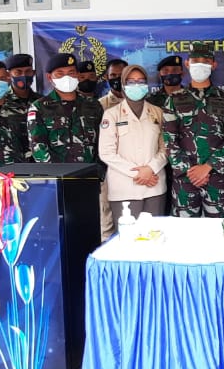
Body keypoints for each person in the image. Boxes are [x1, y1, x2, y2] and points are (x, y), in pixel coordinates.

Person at [162, 43, 224, 217]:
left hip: (216, 178)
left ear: (214, 65)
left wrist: (208, 167)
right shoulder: (173, 100)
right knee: (185, 230)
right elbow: (169, 139)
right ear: (187, 64)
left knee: (218, 228)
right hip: (185, 179)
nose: (200, 65)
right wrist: (191, 171)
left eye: (206, 61)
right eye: (195, 60)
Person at [99, 64, 169, 222]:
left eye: (141, 81)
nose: (136, 85)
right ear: (123, 84)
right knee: (128, 235)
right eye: (131, 82)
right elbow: (106, 153)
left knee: (155, 233)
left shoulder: (157, 112)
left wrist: (150, 169)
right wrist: (139, 174)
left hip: (154, 186)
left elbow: (165, 148)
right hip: (124, 188)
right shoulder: (111, 115)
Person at [27, 53, 102, 164]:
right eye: (60, 74)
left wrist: (98, 169)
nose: (67, 78)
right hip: (57, 172)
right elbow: (38, 147)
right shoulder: (39, 107)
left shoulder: (93, 105)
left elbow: (103, 141)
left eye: (71, 73)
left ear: (77, 75)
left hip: (91, 171)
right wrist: (56, 172)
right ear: (49, 77)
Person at [96, 58, 129, 239]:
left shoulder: (145, 105)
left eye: (121, 75)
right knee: (106, 221)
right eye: (112, 75)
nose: (116, 79)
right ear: (106, 77)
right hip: (108, 171)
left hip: (136, 170)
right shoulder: (99, 106)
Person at [147, 54, 183, 215]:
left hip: (184, 162)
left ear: (182, 72)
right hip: (159, 163)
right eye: (165, 71)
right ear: (159, 74)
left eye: (175, 70)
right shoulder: (150, 101)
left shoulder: (191, 97)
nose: (170, 74)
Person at [2, 54, 39, 146]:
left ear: (34, 73)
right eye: (18, 72)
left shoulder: (41, 102)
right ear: (8, 75)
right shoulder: (1, 101)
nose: (24, 76)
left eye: (28, 71)